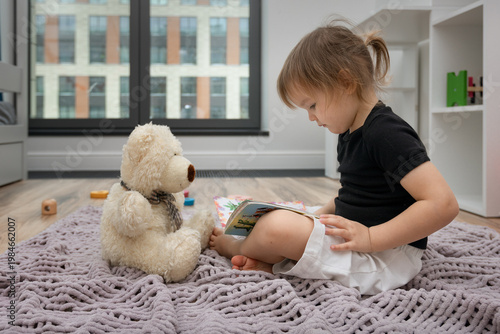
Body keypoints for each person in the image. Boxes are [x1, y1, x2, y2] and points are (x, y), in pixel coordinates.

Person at [209, 20, 459, 295]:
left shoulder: (386, 133)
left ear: (345, 82)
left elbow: (443, 204)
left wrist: (372, 238)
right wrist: (317, 214)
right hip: (359, 240)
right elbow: (355, 193)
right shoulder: (351, 130)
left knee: (276, 228)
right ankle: (273, 263)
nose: (311, 117)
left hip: (384, 256)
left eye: (312, 105)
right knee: (290, 217)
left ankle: (236, 246)